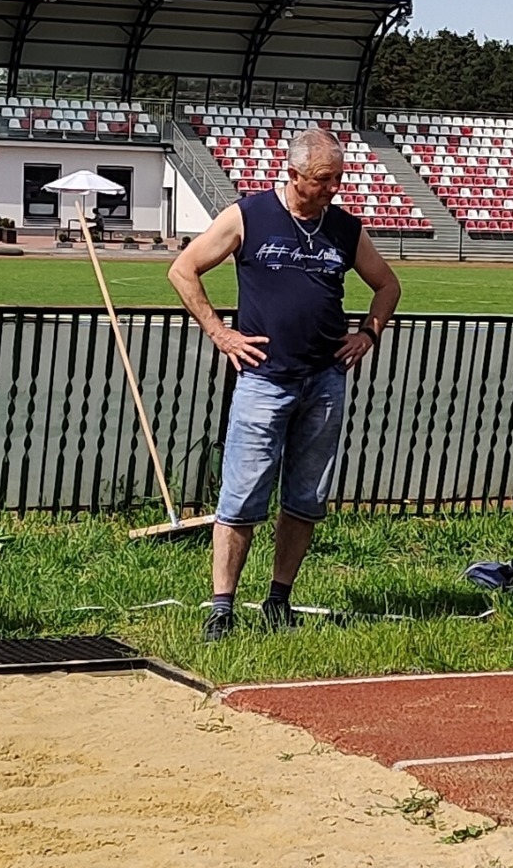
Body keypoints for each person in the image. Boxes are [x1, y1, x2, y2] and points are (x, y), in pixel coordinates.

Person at [168, 127, 402, 641]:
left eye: (338, 178)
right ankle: (221, 606)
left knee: (305, 495)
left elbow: (388, 285)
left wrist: (368, 333)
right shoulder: (248, 216)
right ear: (293, 173)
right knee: (242, 494)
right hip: (263, 381)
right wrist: (221, 333)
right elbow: (183, 270)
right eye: (322, 179)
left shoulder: (344, 228)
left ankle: (279, 600)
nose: (332, 188)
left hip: (324, 380)